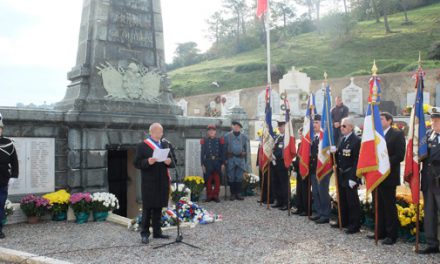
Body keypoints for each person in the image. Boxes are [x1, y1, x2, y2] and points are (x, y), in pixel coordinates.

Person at [367, 112, 405, 245]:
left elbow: (400, 155)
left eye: (381, 119)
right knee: (377, 205)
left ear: (389, 121)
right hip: (375, 174)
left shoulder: (397, 134)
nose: (379, 121)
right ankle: (380, 231)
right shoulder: (375, 134)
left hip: (388, 176)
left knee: (388, 206)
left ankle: (391, 235)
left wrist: (384, 163)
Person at [134, 123, 173, 244]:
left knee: (158, 207)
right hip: (149, 182)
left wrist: (169, 161)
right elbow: (136, 163)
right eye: (156, 132)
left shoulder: (166, 145)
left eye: (161, 132)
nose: (159, 134)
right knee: (148, 208)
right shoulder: (142, 146)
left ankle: (157, 232)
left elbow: (174, 161)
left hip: (162, 181)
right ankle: (144, 234)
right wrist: (147, 161)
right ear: (150, 132)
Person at [332, 117, 361, 234]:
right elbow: (339, 158)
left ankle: (354, 225)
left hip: (350, 175)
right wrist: (333, 153)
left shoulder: (356, 140)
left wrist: (354, 177)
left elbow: (357, 161)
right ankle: (343, 221)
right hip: (341, 174)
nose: (341, 128)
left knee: (352, 201)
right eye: (341, 126)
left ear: (351, 127)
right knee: (342, 199)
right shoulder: (341, 139)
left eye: (344, 126)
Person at [420, 107, 440, 254]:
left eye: (436, 121)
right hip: (428, 180)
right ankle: (431, 243)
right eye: (432, 120)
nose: (433, 123)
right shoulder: (427, 135)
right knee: (430, 214)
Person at [309, 114, 331, 223]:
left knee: (323, 192)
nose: (314, 125)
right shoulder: (313, 138)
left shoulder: (324, 138)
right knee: (316, 192)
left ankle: (325, 214)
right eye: (313, 123)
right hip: (314, 168)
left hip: (323, 169)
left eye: (317, 123)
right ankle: (319, 212)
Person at [0, 113, 18, 239]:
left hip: (2, 181)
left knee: (0, 205)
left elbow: (14, 161)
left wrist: (14, 176)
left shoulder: (8, 143)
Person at [224, 120, 250, 201]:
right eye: (235, 126)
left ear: (240, 128)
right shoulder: (227, 136)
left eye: (238, 127)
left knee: (239, 177)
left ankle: (238, 193)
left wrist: (246, 159)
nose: (236, 128)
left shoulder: (244, 137)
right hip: (231, 159)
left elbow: (247, 150)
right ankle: (232, 194)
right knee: (231, 177)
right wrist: (225, 160)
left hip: (240, 160)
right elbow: (224, 149)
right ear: (232, 126)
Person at [200, 125, 225, 203]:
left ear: (215, 132)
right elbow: (202, 153)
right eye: (210, 130)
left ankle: (216, 195)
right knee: (208, 179)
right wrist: (202, 164)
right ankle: (209, 195)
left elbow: (223, 152)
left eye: (213, 130)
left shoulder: (219, 140)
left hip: (217, 162)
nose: (211, 131)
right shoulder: (205, 141)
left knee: (217, 180)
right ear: (208, 132)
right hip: (208, 162)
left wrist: (223, 163)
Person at [271, 120, 290, 210]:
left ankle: (286, 203)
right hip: (275, 163)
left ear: (285, 127)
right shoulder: (277, 137)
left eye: (281, 126)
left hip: (283, 163)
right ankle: (278, 201)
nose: (279, 128)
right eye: (279, 127)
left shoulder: (287, 138)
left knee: (284, 184)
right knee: (276, 182)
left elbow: (286, 151)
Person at [292, 128, 309, 216]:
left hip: (305, 170)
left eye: (302, 134)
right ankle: (299, 207)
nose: (300, 136)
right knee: (299, 190)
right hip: (299, 169)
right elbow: (298, 158)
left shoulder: (308, 144)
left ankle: (306, 210)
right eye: (299, 134)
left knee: (304, 190)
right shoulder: (299, 144)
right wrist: (293, 166)